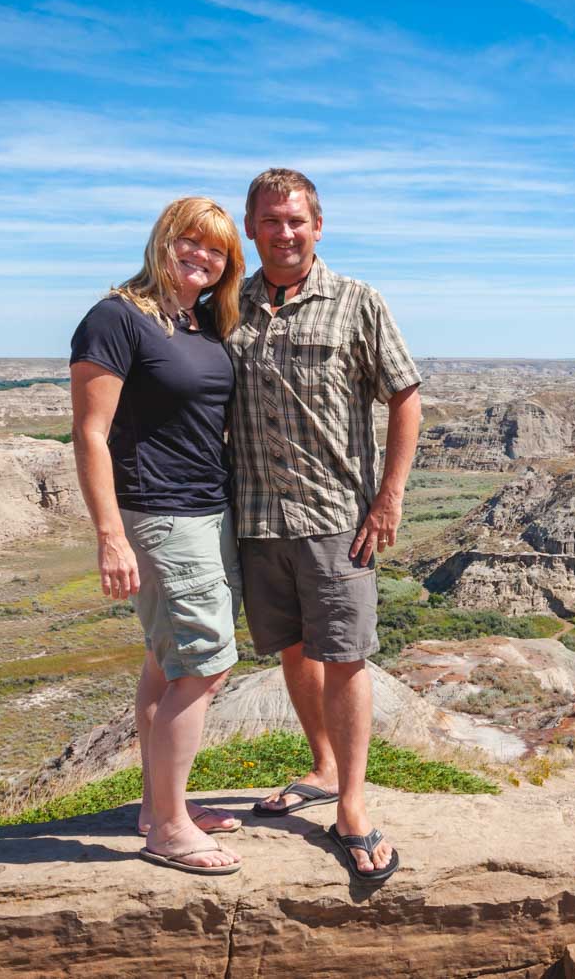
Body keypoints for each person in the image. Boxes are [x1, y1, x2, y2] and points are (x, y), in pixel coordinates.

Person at [228, 168, 422, 884]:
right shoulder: (231, 305)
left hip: (335, 516)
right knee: (291, 647)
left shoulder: (356, 301)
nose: (284, 232)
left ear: (318, 226)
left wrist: (389, 497)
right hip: (255, 516)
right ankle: (321, 762)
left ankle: (352, 805)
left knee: (343, 654)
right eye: (271, 221)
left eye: (297, 220)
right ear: (251, 227)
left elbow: (406, 396)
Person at [69, 197, 247, 876]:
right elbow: (90, 433)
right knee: (205, 663)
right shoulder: (117, 317)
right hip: (159, 515)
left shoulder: (200, 323)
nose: (201, 257)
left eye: (217, 251)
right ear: (163, 240)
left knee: (164, 659)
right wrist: (110, 536)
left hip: (208, 510)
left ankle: (158, 805)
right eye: (190, 242)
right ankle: (170, 828)